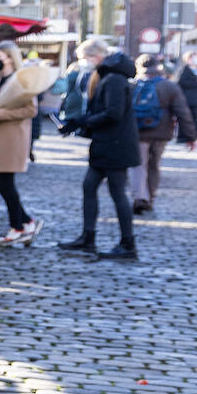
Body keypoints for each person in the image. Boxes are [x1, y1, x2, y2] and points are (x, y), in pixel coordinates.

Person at [57, 40, 140, 261]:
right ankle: (88, 237)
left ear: (96, 56)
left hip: (115, 145)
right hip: (108, 144)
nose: (83, 62)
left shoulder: (113, 79)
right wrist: (80, 122)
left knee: (117, 193)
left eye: (85, 57)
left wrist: (83, 121)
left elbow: (113, 113)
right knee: (90, 187)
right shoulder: (110, 76)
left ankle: (127, 244)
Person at [0, 41, 54, 246]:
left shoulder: (21, 79)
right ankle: (25, 222)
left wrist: (0, 113)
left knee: (4, 182)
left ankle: (18, 226)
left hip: (11, 137)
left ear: (9, 57)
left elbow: (30, 110)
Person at [130, 55, 194, 214]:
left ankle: (140, 197)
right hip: (162, 132)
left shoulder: (132, 85)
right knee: (154, 165)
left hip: (138, 131)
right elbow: (182, 112)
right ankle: (150, 198)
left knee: (139, 164)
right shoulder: (168, 86)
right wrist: (190, 136)